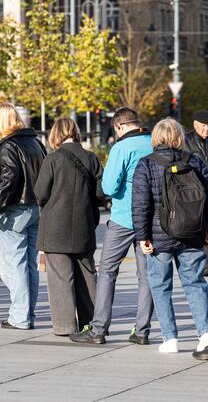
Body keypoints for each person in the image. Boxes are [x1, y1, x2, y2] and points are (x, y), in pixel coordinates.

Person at [70, 107, 154, 345]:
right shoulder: (153, 143)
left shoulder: (121, 148)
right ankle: (142, 330)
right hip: (149, 219)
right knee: (146, 275)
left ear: (119, 126)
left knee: (107, 271)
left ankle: (98, 329)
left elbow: (108, 187)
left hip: (123, 218)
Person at [132, 118, 208, 359]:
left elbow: (141, 204)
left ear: (156, 138)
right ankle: (205, 334)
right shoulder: (194, 161)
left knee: (160, 286)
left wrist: (142, 236)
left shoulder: (146, 164)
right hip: (192, 234)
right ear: (179, 137)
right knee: (195, 284)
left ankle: (170, 338)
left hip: (159, 235)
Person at [34, 118, 103, 336]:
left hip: (55, 227)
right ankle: (91, 323)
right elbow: (101, 193)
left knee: (61, 278)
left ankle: (65, 326)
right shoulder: (91, 158)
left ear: (56, 134)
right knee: (87, 275)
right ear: (75, 132)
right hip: (84, 225)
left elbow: (40, 193)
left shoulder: (53, 159)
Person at [0, 103, 46, 330]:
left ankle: (20, 316)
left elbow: (9, 178)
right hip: (35, 208)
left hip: (14, 209)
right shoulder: (35, 143)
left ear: (1, 121)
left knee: (14, 264)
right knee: (30, 263)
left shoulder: (7, 145)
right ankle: (27, 313)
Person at [183, 110, 208, 269]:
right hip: (195, 192)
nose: (207, 129)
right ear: (195, 125)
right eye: (204, 126)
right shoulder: (186, 141)